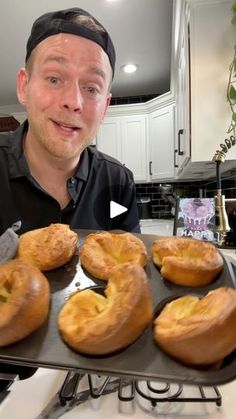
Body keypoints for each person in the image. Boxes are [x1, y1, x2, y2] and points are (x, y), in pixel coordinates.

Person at [0, 7, 140, 390]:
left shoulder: (118, 185)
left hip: (83, 374)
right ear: (24, 85)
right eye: (55, 78)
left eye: (91, 88)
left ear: (105, 106)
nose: (74, 101)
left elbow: (131, 276)